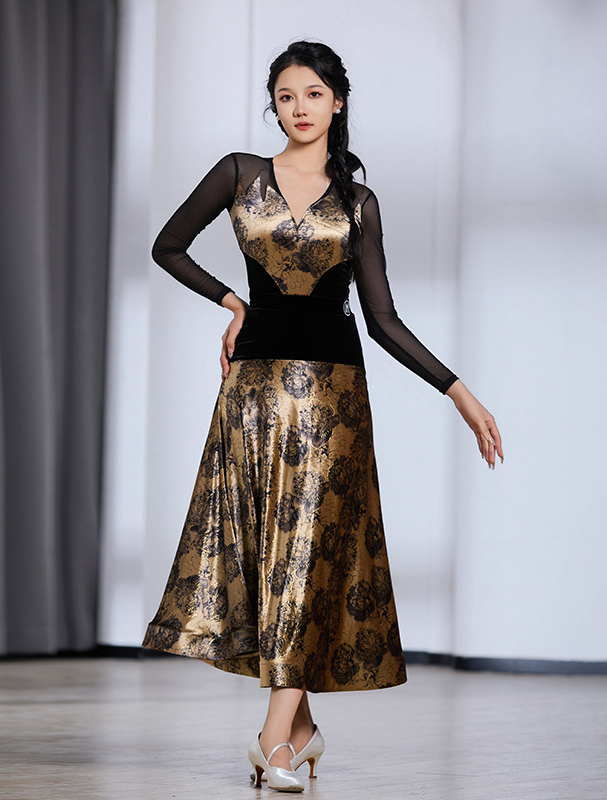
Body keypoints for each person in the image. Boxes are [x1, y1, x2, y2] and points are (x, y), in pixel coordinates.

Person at [141, 40, 504, 792]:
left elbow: (383, 320)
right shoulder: (240, 173)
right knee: (271, 562)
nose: (299, 108)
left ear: (338, 102)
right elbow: (167, 246)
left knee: (311, 557)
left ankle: (273, 741)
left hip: (336, 403)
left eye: (312, 94)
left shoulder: (359, 203)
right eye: (285, 96)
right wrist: (232, 301)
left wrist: (458, 391)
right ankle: (303, 732)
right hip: (253, 396)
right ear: (273, 107)